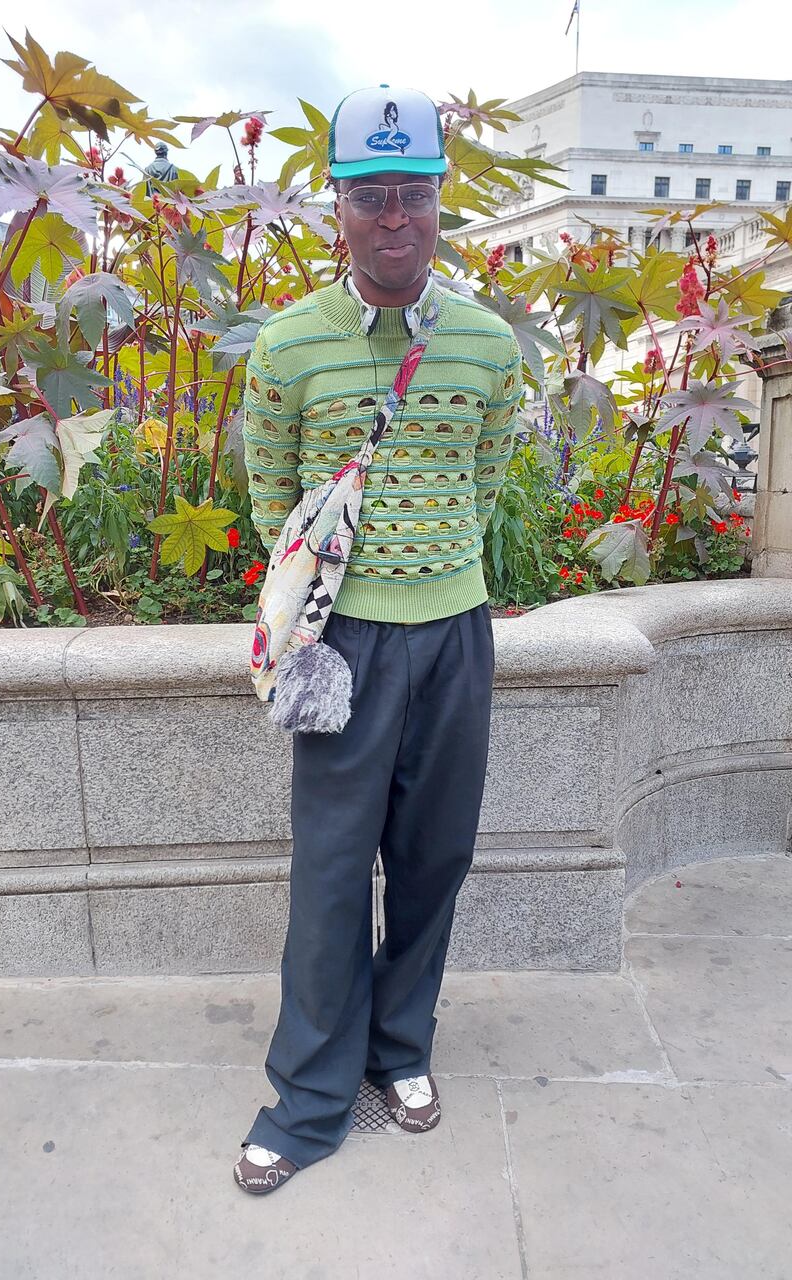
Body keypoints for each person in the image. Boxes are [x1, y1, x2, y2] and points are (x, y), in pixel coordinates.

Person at [234, 83, 523, 1195]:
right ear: (338, 209)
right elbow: (272, 494)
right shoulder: (289, 346)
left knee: (434, 858)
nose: (392, 217)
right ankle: (309, 1097)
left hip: (452, 632)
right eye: (370, 196)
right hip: (338, 642)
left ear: (438, 200)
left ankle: (400, 1051)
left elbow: (484, 478)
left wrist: (433, 566)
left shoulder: (488, 345)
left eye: (412, 193)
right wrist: (330, 598)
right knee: (328, 871)